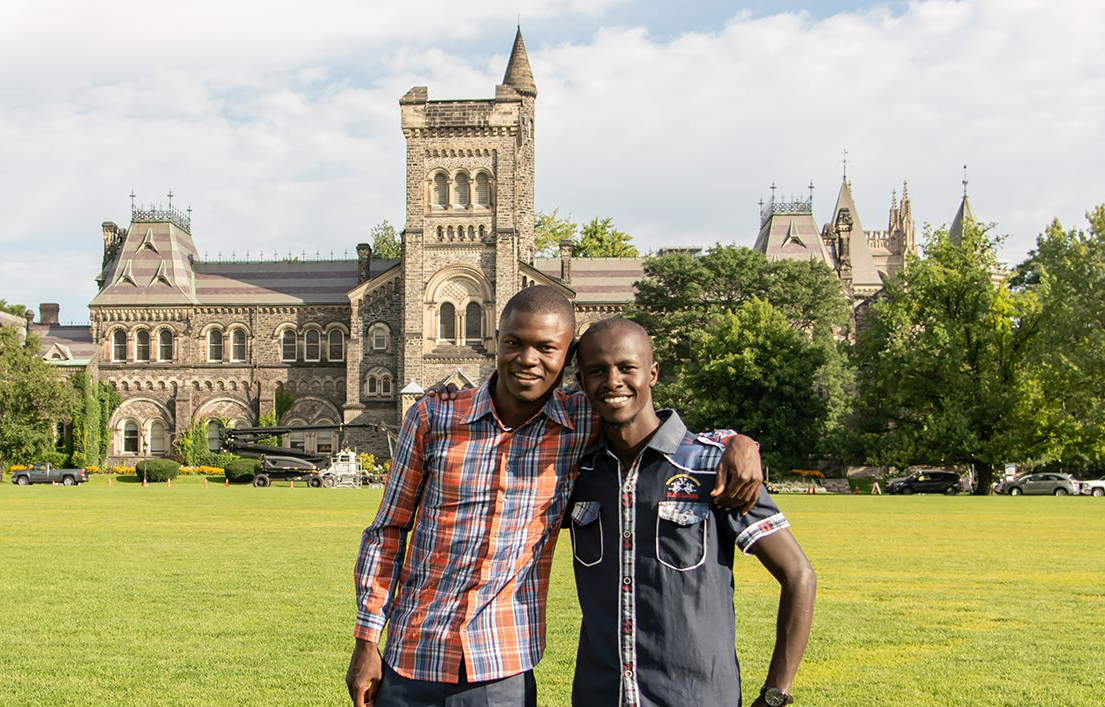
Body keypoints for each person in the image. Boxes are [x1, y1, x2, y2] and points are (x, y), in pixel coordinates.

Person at [346, 287, 764, 707]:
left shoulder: (582, 420)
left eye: (547, 348)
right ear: (496, 342)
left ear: (568, 361)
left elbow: (655, 426)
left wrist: (738, 442)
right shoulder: (433, 417)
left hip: (499, 669)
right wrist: (367, 641)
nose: (528, 359)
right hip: (410, 657)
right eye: (514, 343)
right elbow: (388, 531)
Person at [568, 317, 816, 707]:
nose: (612, 381)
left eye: (626, 367)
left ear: (652, 373)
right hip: (601, 696)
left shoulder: (711, 466)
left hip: (697, 696)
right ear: (581, 381)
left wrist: (775, 695)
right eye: (597, 371)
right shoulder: (577, 473)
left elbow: (799, 575)